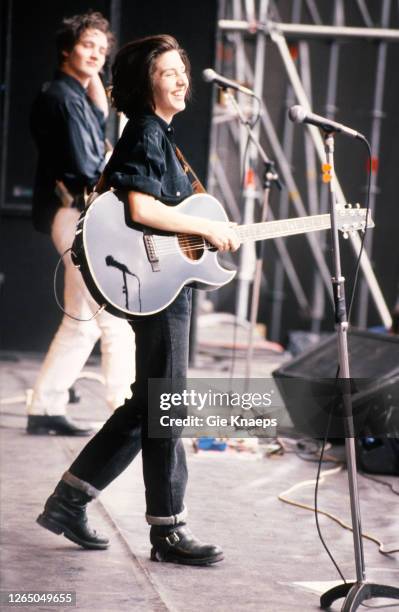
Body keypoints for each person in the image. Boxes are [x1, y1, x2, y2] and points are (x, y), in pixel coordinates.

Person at [36, 34, 239, 565]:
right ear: (146, 82)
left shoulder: (157, 134)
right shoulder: (148, 131)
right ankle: (168, 531)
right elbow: (142, 210)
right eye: (169, 71)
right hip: (158, 289)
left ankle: (70, 500)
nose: (181, 78)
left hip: (166, 283)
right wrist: (203, 228)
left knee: (149, 406)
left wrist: (207, 234)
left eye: (182, 69)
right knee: (166, 409)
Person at [28, 11, 135, 436]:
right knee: (113, 318)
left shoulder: (74, 96)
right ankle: (126, 411)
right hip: (74, 213)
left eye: (102, 49)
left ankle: (46, 407)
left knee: (82, 321)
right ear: (67, 48)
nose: (97, 54)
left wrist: (95, 99)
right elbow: (86, 165)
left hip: (71, 213)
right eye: (88, 45)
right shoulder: (61, 97)